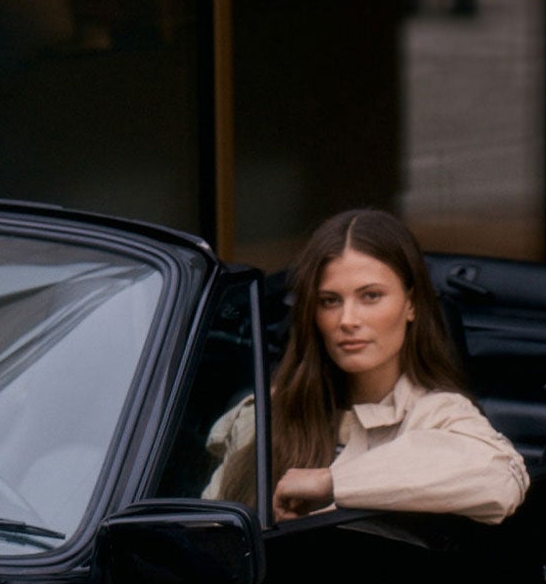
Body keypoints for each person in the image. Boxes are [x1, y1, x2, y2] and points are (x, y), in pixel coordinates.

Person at [205, 208, 528, 524]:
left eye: (370, 296)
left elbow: (499, 477)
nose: (347, 320)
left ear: (411, 303)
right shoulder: (268, 412)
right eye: (330, 301)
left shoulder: (436, 414)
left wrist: (332, 482)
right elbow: (208, 532)